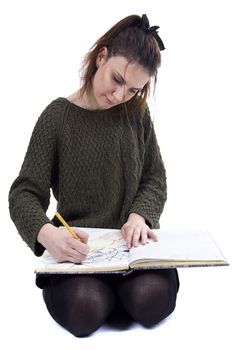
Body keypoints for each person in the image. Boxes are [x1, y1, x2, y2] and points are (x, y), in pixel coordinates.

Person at [9, 14, 179, 337]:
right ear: (101, 56)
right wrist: (46, 234)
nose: (119, 95)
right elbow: (23, 193)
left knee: (153, 299)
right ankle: (105, 296)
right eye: (116, 79)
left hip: (131, 252)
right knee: (84, 307)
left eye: (133, 90)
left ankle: (119, 295)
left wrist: (140, 215)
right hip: (79, 255)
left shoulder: (137, 116)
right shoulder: (57, 117)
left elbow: (155, 178)